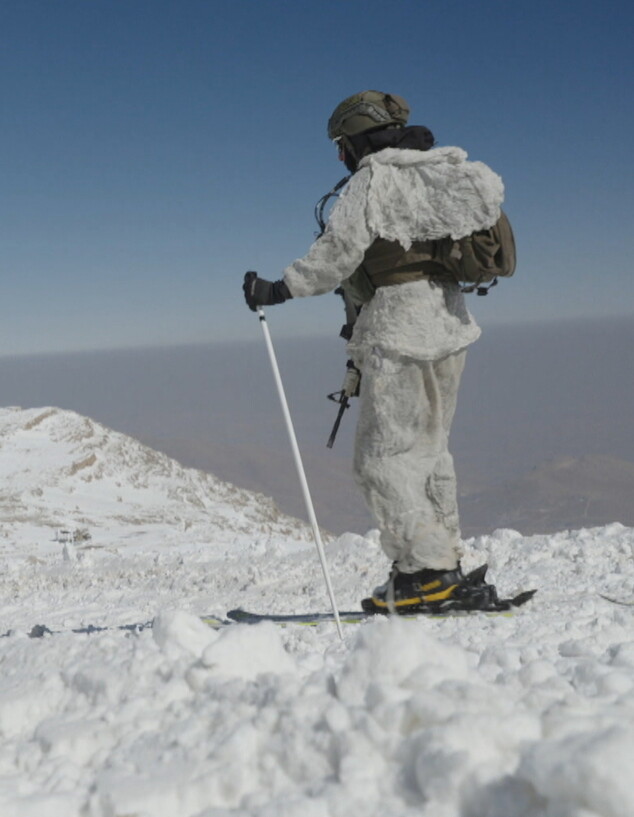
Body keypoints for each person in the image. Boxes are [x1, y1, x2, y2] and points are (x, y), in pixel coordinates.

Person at [243, 91, 509, 614]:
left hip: (401, 324)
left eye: (341, 145)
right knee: (431, 450)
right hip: (449, 320)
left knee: (381, 460)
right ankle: (444, 563)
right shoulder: (441, 172)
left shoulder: (375, 178)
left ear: (356, 140)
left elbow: (337, 254)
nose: (339, 155)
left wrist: (277, 289)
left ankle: (424, 573)